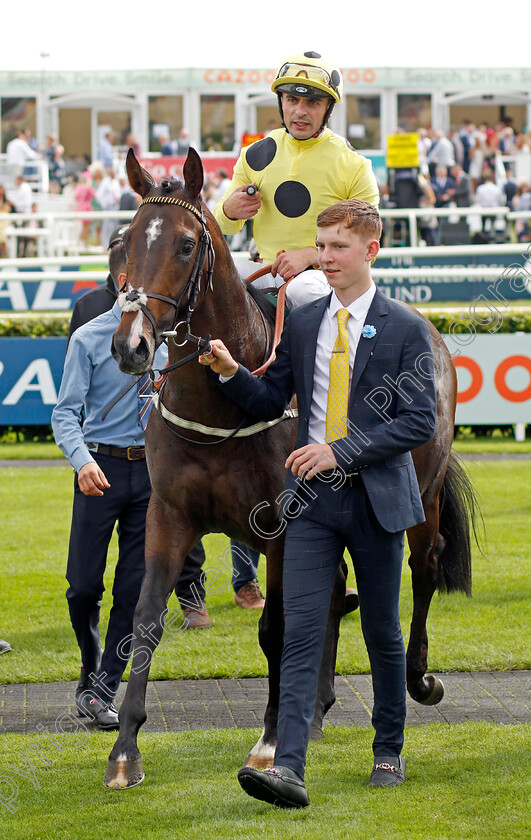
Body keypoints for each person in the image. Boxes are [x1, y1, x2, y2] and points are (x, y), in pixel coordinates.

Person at [200, 199, 436, 808]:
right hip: (309, 505)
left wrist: (342, 451)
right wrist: (231, 372)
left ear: (370, 251)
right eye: (321, 245)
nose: (324, 258)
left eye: (337, 247)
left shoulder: (407, 328)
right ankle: (290, 769)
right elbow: (269, 399)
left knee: (383, 632)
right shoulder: (302, 323)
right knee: (302, 631)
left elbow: (416, 421)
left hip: (378, 501)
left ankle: (389, 749)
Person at [214, 51, 379, 606]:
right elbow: (217, 224)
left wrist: (312, 253)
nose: (300, 109)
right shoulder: (255, 154)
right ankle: (166, 404)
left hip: (317, 283)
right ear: (279, 103)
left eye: (311, 101)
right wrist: (229, 208)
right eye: (291, 99)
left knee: (311, 297)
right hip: (257, 271)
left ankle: (328, 428)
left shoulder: (351, 164)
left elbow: (372, 238)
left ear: (327, 107)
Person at [67, 224, 210, 628]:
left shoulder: (175, 327)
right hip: (105, 461)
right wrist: (82, 460)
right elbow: (69, 406)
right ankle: (93, 660)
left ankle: (188, 600)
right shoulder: (88, 321)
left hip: (156, 460)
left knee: (155, 559)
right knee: (83, 584)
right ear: (125, 277)